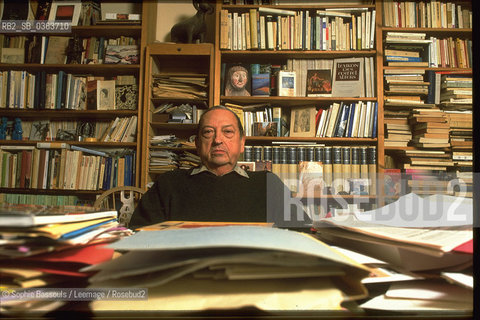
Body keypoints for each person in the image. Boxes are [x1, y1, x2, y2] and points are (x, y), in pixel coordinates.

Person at [130, 106, 310, 229]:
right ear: (198, 144)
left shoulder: (268, 184)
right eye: (208, 132)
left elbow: (304, 235)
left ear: (242, 144)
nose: (217, 140)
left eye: (228, 132)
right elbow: (138, 237)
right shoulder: (169, 184)